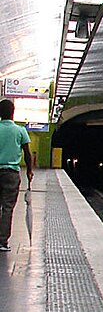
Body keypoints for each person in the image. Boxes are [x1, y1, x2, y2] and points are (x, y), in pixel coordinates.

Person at [0, 98, 34, 253]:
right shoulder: (20, 131)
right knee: (7, 208)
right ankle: (2, 241)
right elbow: (27, 154)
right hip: (11, 173)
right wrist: (29, 170)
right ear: (13, 113)